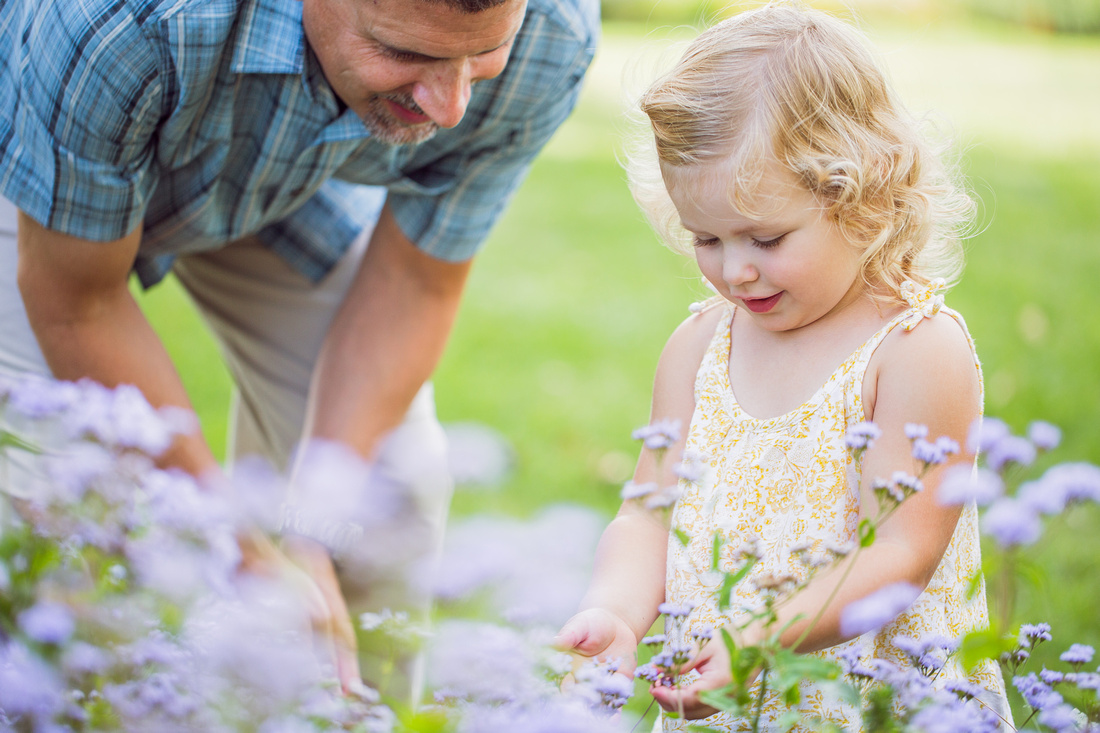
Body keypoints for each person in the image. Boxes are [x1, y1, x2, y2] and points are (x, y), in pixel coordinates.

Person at [0, 0, 597, 698]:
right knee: (59, 512)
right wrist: (236, 546)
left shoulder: (552, 37)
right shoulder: (118, 18)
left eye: (482, 57)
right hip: (38, 157)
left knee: (389, 491)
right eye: (407, 53)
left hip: (272, 169)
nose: (451, 106)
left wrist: (314, 528)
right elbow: (80, 304)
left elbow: (414, 281)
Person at [555, 4, 1011, 730]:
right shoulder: (700, 346)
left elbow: (903, 551)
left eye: (765, 238)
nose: (734, 270)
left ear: (862, 193)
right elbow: (648, 511)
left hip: (873, 706)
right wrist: (615, 609)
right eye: (705, 237)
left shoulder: (914, 351)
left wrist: (761, 640)